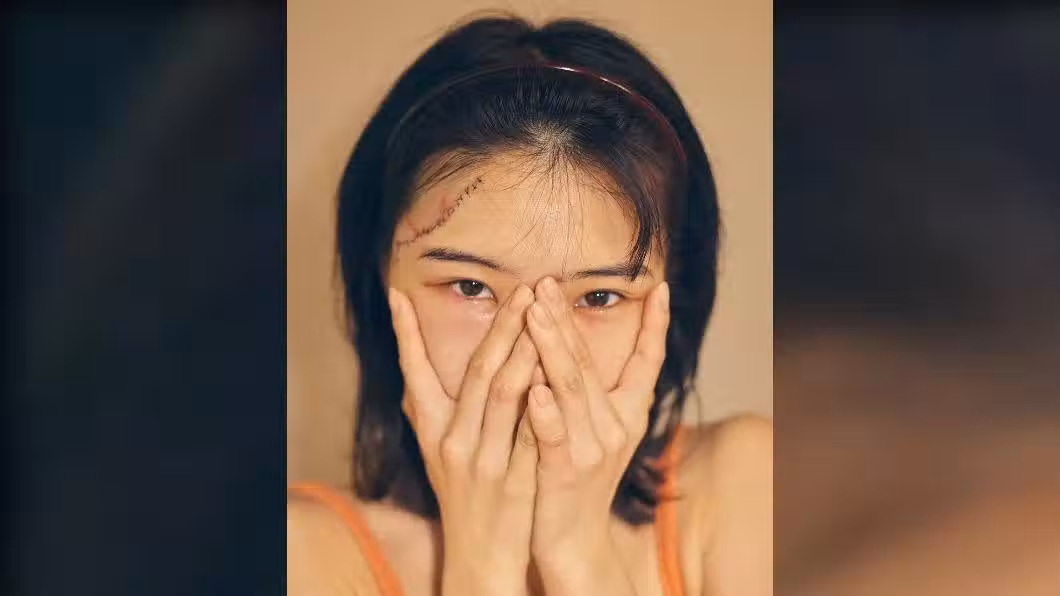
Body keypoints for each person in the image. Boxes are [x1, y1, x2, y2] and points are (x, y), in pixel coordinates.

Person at [288, 14, 771, 596]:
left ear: (672, 301)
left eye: (598, 296)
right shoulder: (299, 556)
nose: (533, 356)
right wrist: (482, 565)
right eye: (471, 287)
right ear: (382, 278)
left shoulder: (747, 489)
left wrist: (579, 553)